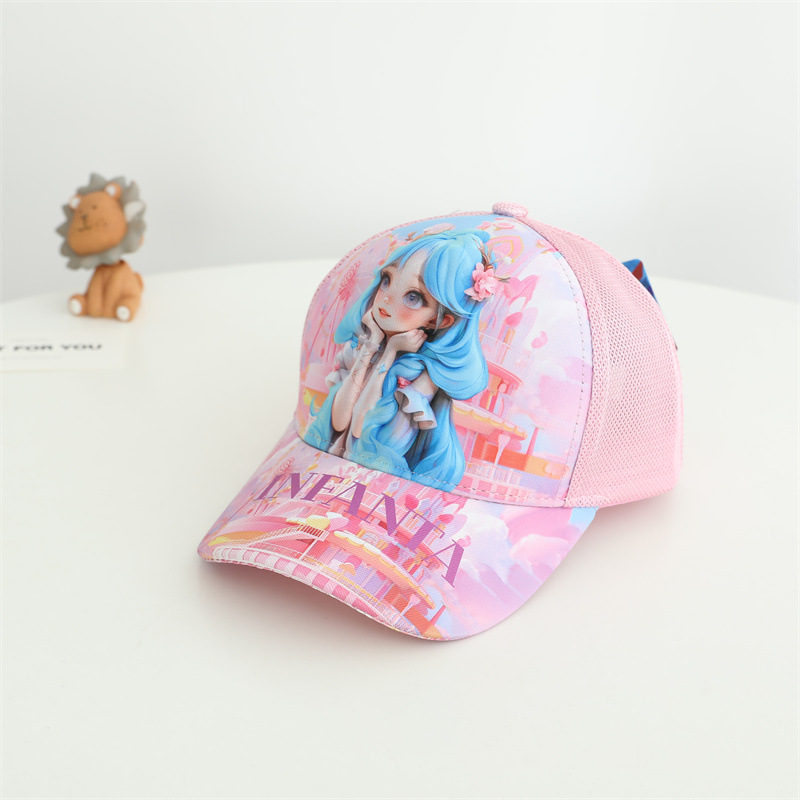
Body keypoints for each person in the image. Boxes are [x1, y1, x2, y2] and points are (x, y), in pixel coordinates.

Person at [304, 229, 498, 491]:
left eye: (413, 297)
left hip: (379, 486)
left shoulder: (422, 378)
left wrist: (390, 352)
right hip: (325, 463)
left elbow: (362, 430)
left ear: (439, 320)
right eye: (387, 280)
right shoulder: (363, 345)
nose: (386, 298)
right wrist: (372, 346)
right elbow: (338, 421)